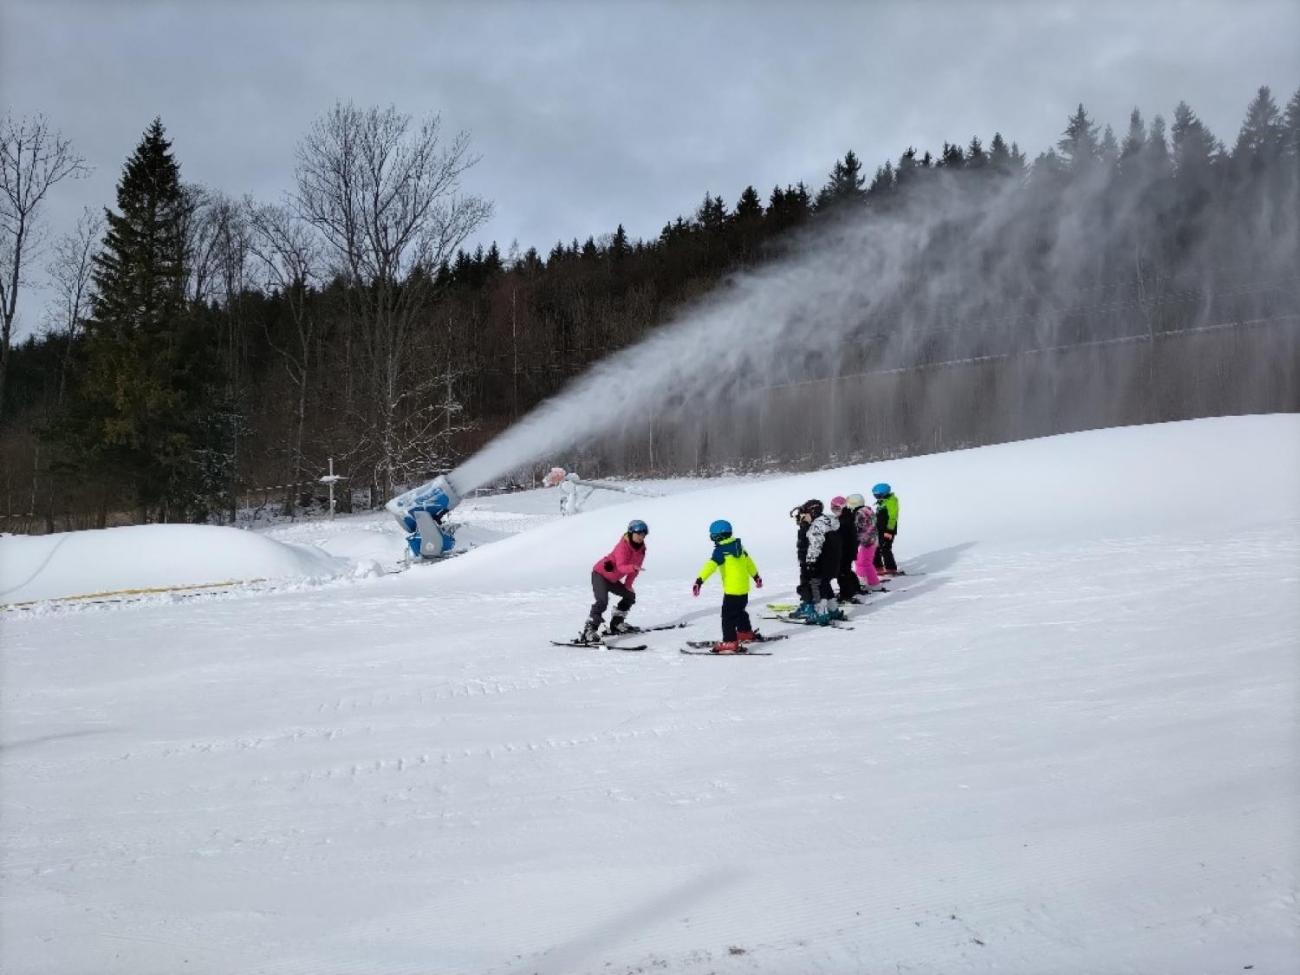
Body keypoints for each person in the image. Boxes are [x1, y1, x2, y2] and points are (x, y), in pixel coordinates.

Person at [691, 519, 763, 654]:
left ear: (718, 536)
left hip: (732, 590)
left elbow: (710, 566)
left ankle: (730, 642)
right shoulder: (739, 547)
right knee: (740, 611)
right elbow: (749, 563)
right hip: (743, 589)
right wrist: (756, 576)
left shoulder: (721, 551)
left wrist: (699, 581)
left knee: (728, 616)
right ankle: (745, 632)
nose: (711, 538)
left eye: (712, 535)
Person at [579, 519, 649, 643]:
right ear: (631, 532)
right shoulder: (623, 546)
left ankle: (617, 624)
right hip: (600, 575)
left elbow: (635, 570)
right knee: (602, 601)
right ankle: (589, 630)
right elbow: (622, 566)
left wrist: (628, 585)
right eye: (638, 533)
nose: (641, 537)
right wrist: (633, 567)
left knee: (630, 596)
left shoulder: (641, 550)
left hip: (612, 579)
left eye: (644, 534)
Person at [802, 499, 845, 625]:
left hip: (822, 561)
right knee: (825, 584)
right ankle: (833, 609)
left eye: (806, 513)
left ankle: (821, 613)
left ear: (812, 512)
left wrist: (810, 561)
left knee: (817, 584)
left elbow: (815, 545)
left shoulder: (817, 525)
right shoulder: (829, 522)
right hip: (833, 561)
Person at [831, 495, 861, 602]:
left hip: (846, 551)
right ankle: (855, 587)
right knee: (846, 570)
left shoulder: (845, 519)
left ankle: (846, 594)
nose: (835, 511)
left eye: (837, 509)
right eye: (833, 508)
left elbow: (845, 537)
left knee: (842, 572)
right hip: (847, 549)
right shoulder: (844, 517)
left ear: (843, 507)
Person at [848, 493, 882, 588]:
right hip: (868, 540)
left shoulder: (860, 513)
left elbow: (858, 528)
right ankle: (864, 580)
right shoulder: (866, 510)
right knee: (860, 561)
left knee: (864, 562)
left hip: (867, 542)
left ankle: (873, 583)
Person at [872, 483, 900, 576]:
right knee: (876, 547)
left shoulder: (891, 501)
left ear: (884, 494)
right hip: (879, 529)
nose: (876, 497)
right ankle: (878, 567)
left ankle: (891, 569)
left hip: (887, 530)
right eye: (874, 495)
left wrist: (889, 531)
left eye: (877, 495)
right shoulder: (882, 501)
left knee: (885, 548)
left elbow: (893, 517)